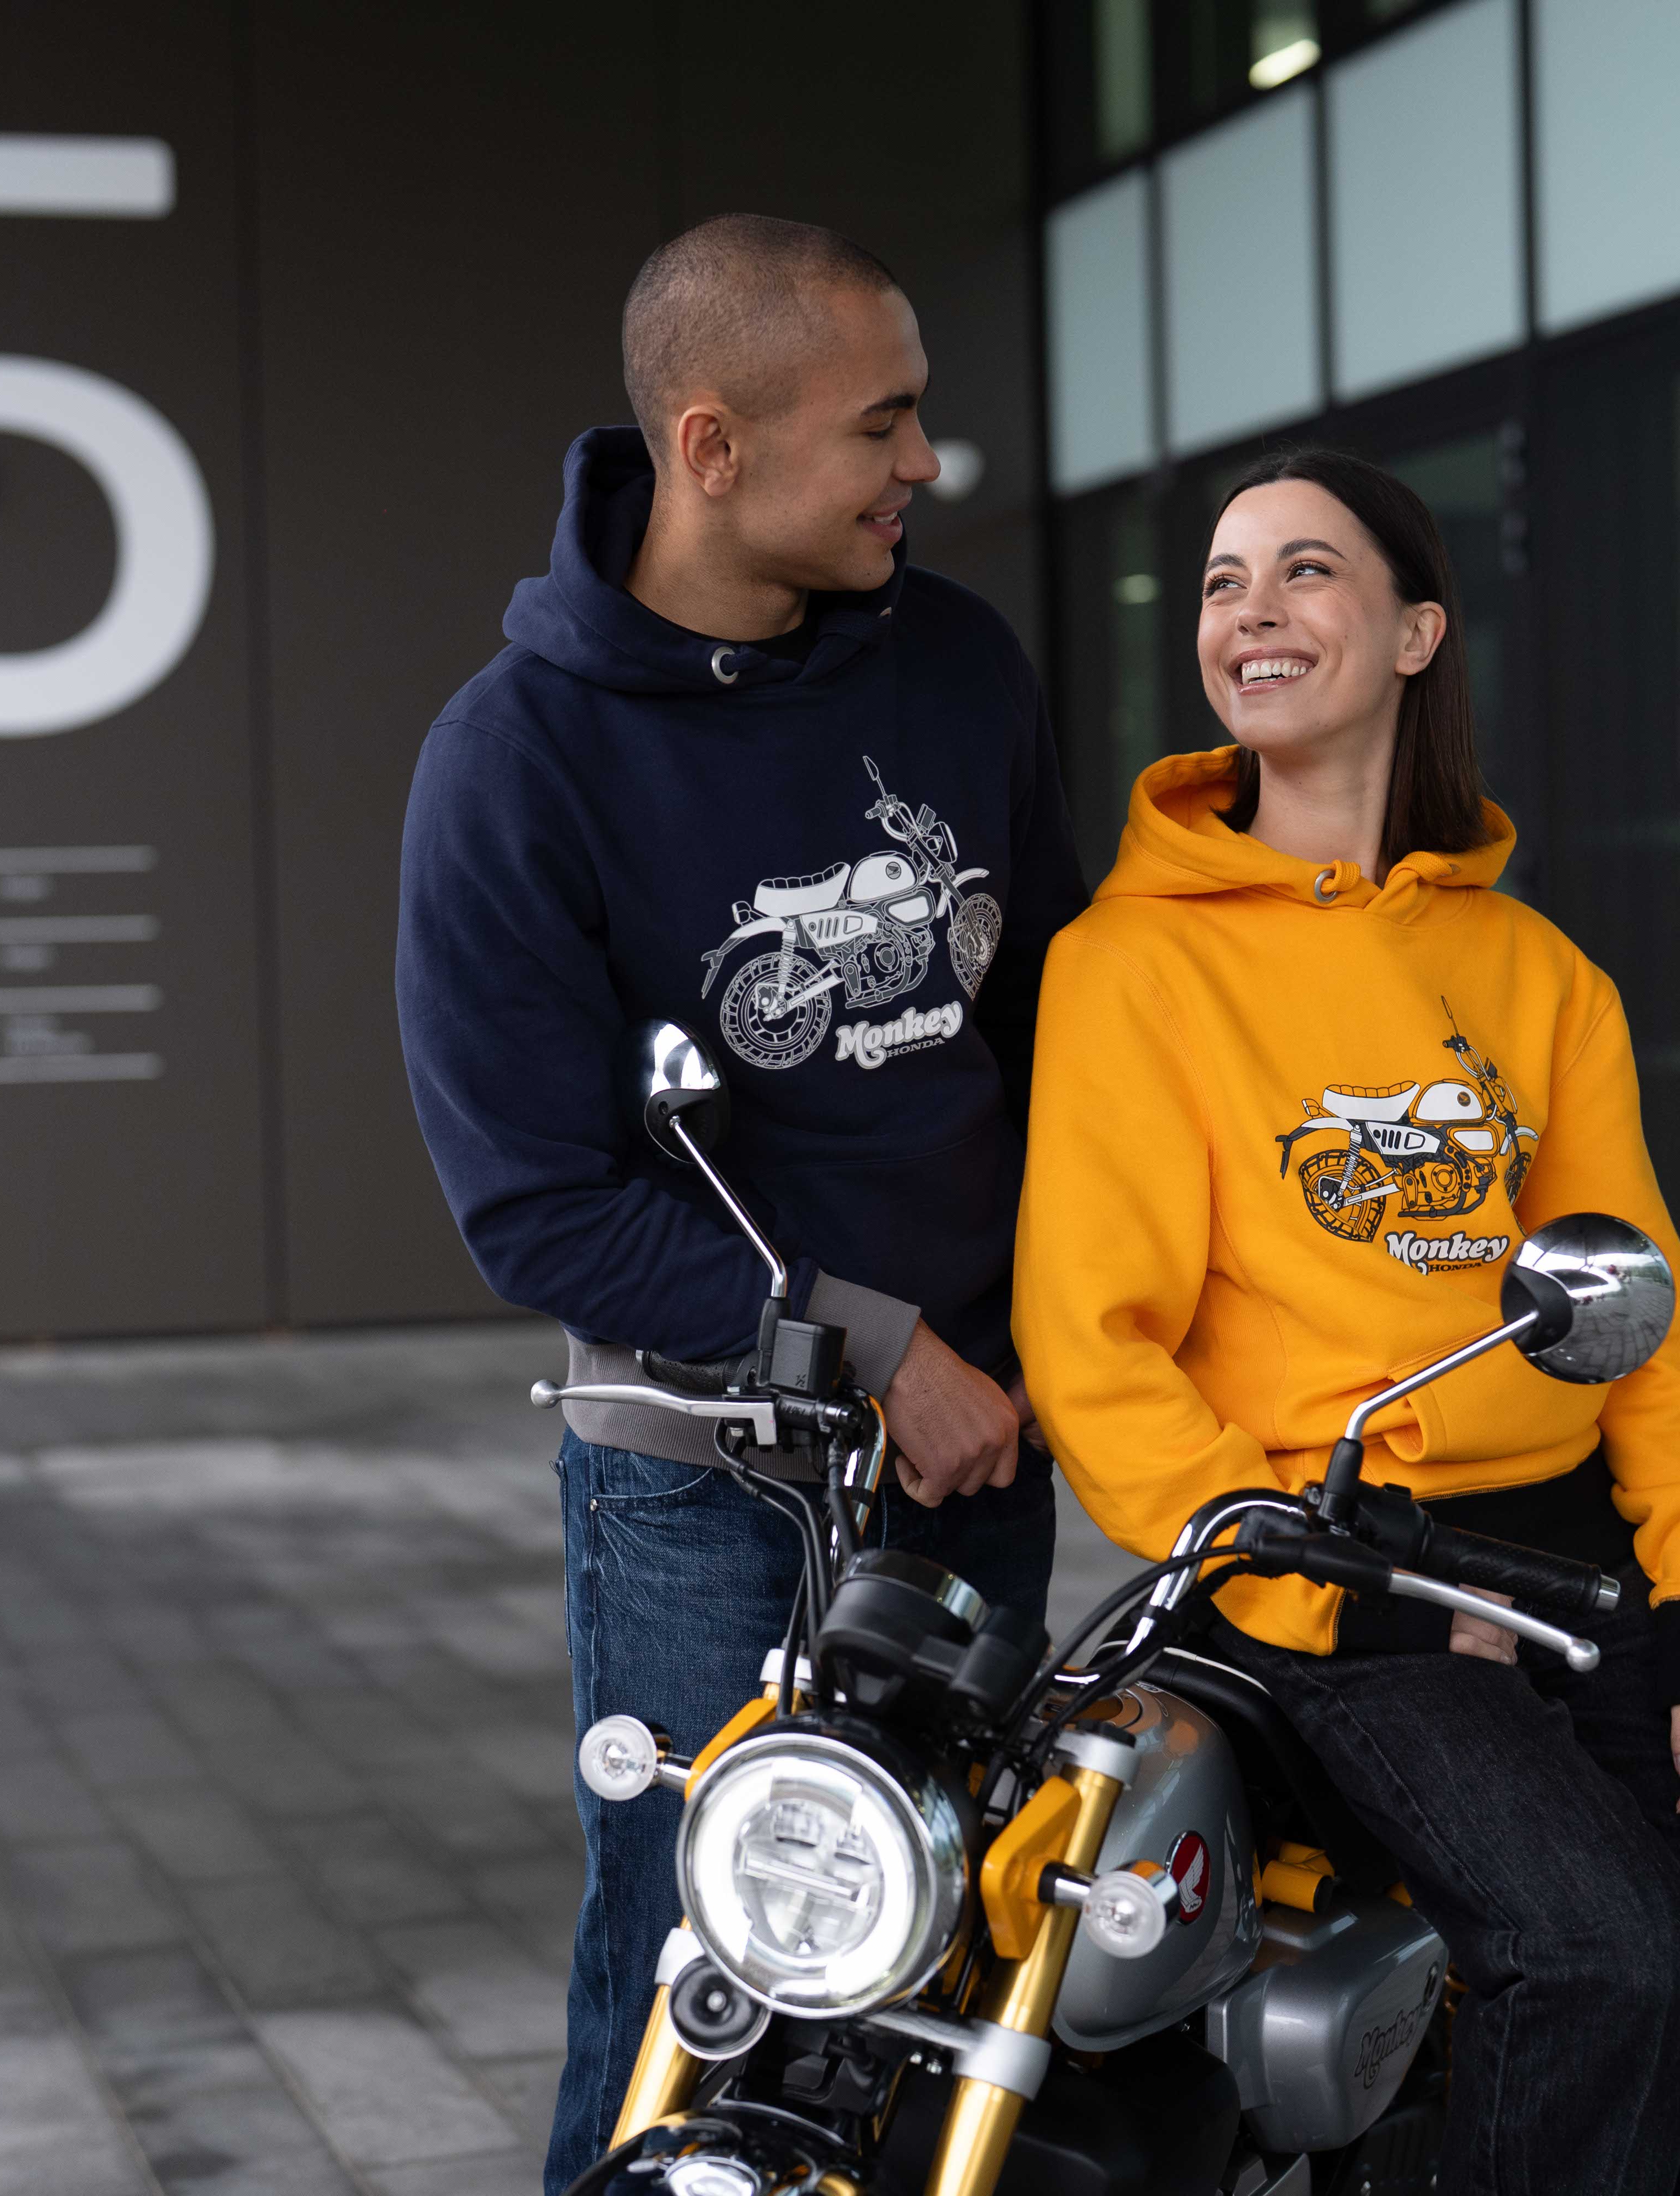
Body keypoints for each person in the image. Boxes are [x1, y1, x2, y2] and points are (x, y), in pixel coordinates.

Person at [1014, 447, 1680, 2193]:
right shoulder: (1130, 964)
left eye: (1305, 571)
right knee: (1614, 1967)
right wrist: (1328, 1584)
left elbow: (1633, 1309)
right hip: (1331, 1578)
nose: (1251, 612)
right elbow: (1095, 1347)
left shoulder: (1535, 970)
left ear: (1417, 632)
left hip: (1579, 1573)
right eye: (1221, 582)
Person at [396, 214, 1086, 2191]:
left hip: (977, 1457)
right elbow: (540, 1210)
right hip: (710, 1496)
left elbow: (1058, 1028)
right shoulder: (514, 761)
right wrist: (883, 1350)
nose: (924, 463)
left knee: (941, 1992)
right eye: (883, 424)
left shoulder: (956, 662)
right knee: (695, 1993)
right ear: (712, 447)